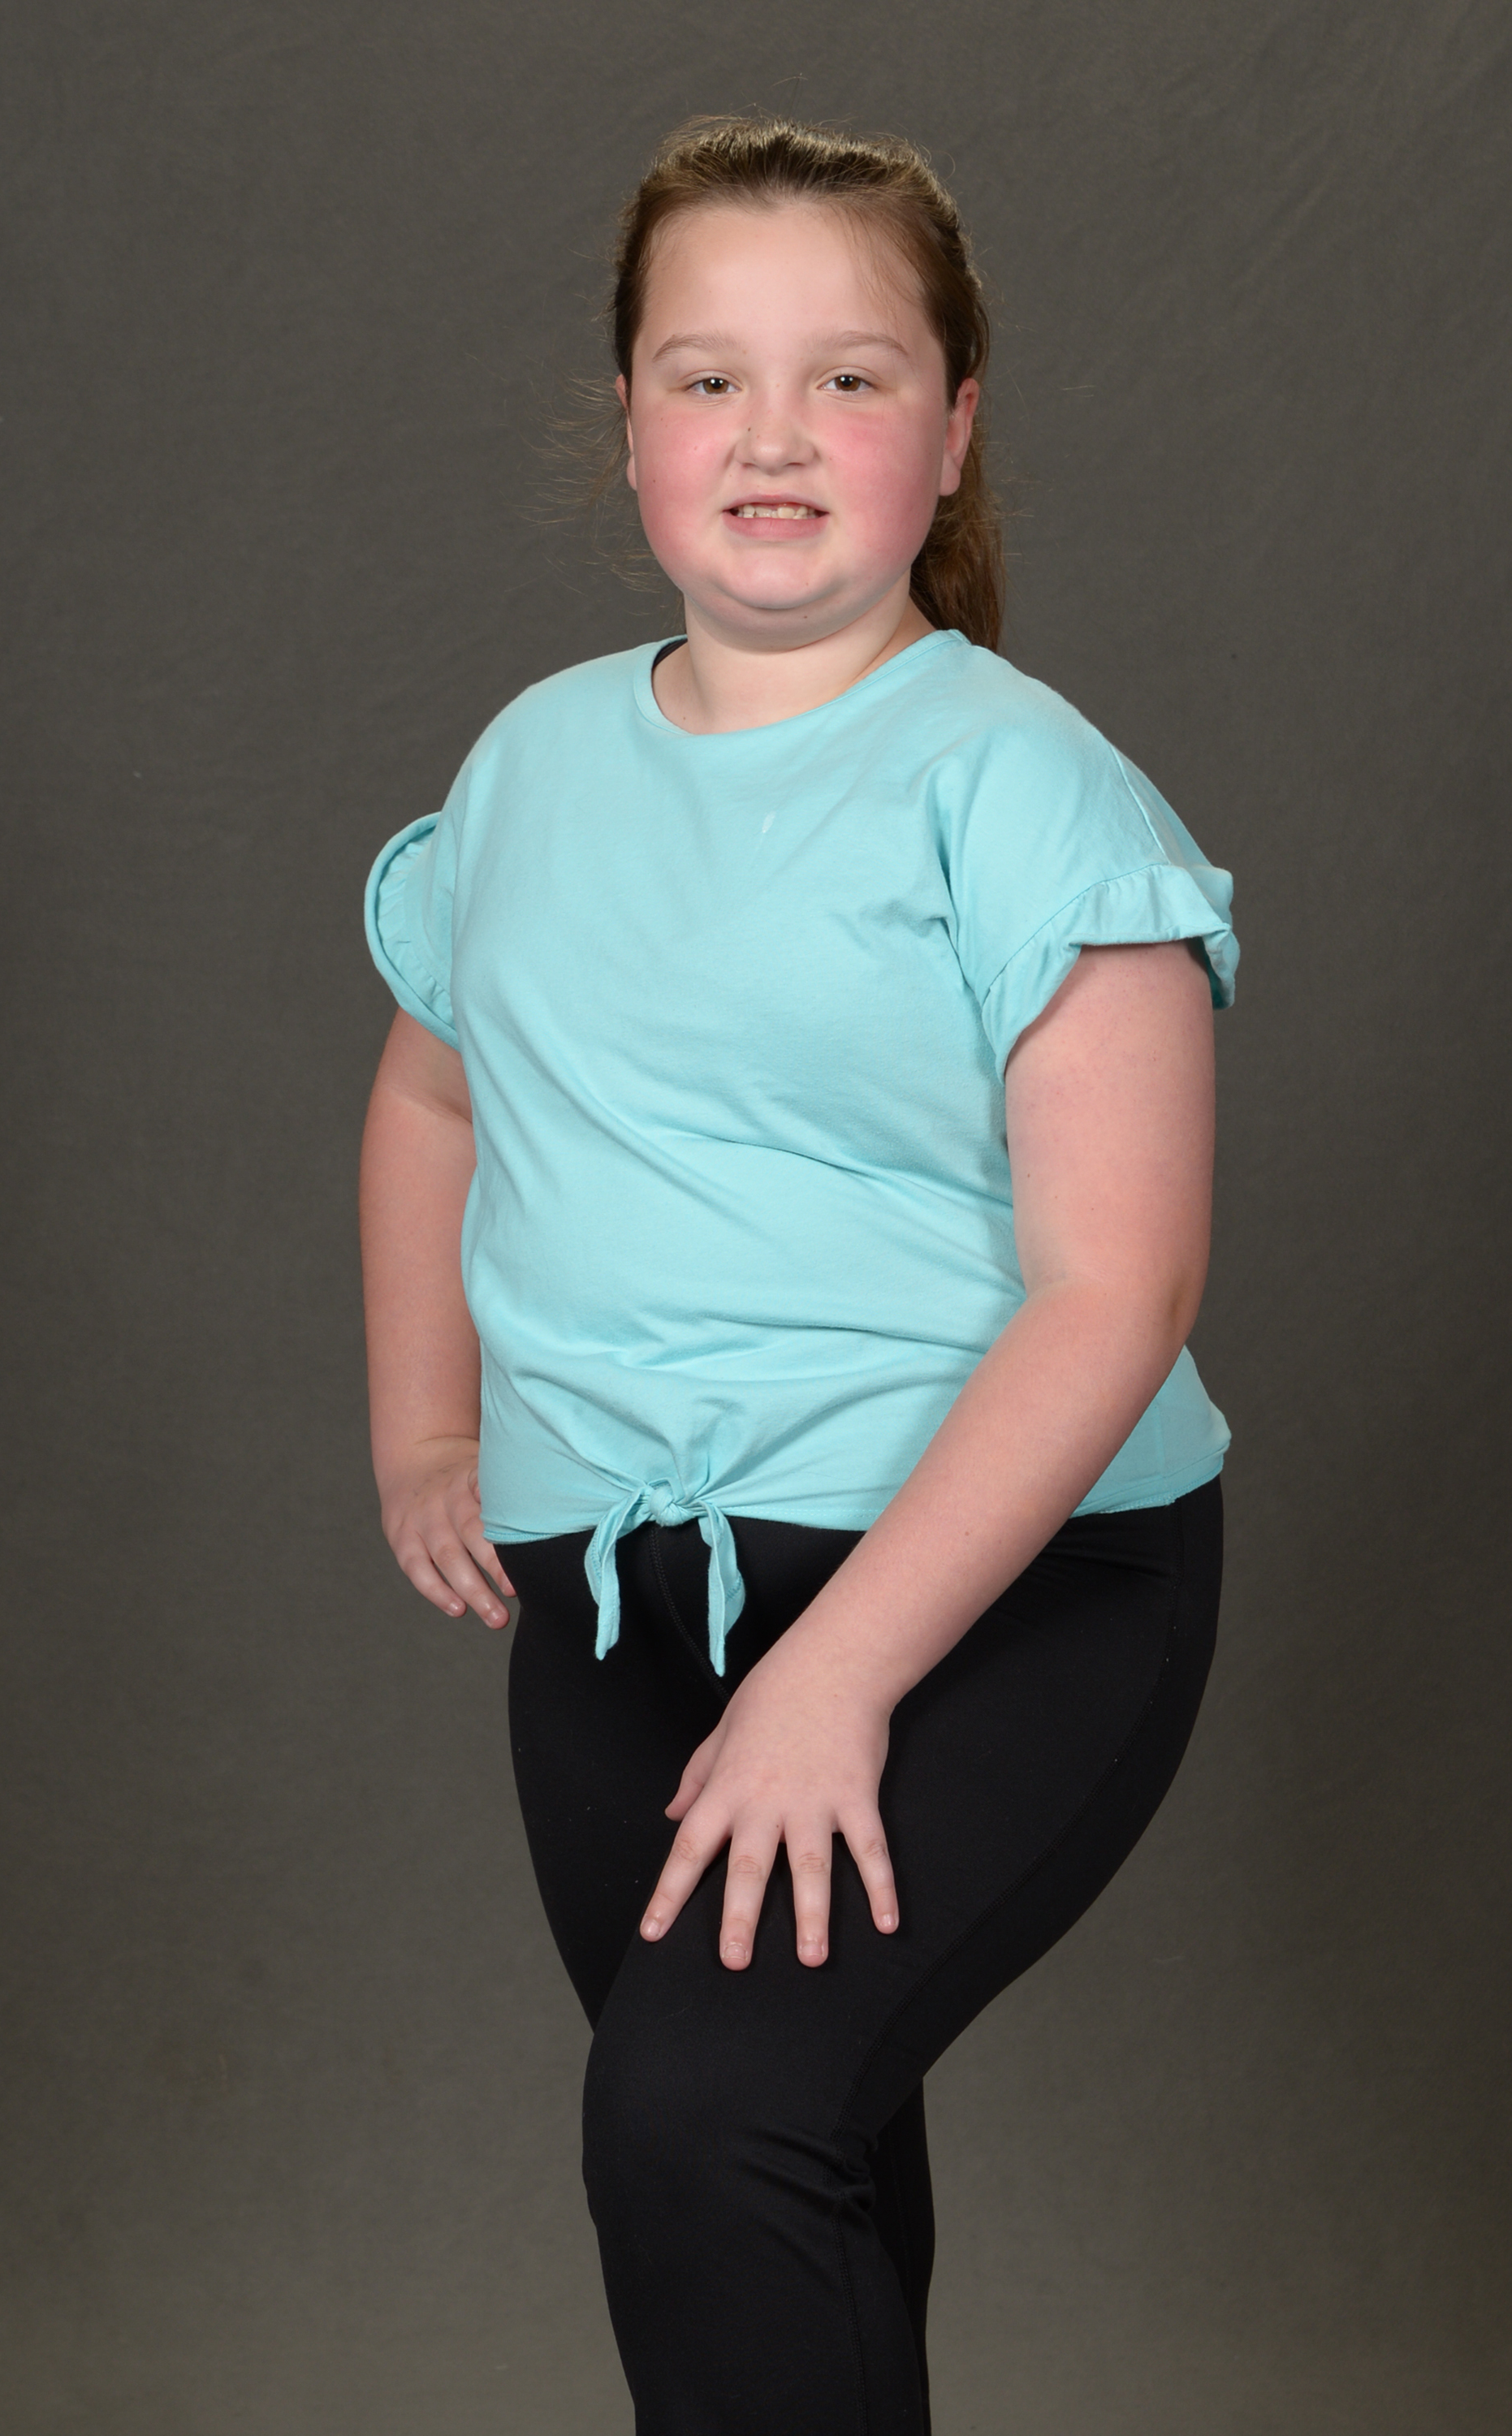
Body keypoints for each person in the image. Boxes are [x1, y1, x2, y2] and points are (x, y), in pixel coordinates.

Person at [358, 114, 1236, 2436]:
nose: (773, 435)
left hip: (998, 1596)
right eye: (707, 375)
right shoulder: (532, 763)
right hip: (619, 1614)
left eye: (849, 378)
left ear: (951, 431)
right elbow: (435, 1095)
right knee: (778, 2172)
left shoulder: (1027, 793)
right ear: (629, 421)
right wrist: (429, 1424)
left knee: (702, 2122)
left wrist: (838, 1679)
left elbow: (1115, 1294)